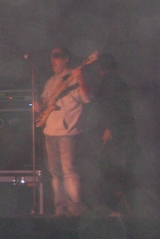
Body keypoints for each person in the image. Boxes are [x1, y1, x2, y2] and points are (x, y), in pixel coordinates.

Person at [35, 47, 92, 216]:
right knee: (55, 173)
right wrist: (38, 105)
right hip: (50, 131)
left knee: (69, 171)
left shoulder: (75, 78)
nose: (52, 60)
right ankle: (59, 208)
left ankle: (75, 208)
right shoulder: (51, 81)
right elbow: (45, 102)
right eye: (51, 56)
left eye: (57, 56)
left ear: (66, 58)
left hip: (68, 132)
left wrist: (80, 78)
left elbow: (87, 98)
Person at [91, 53, 137, 214]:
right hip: (125, 132)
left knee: (111, 169)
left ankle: (114, 207)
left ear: (101, 67)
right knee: (118, 168)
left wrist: (109, 127)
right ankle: (122, 206)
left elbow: (111, 107)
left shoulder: (109, 82)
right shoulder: (118, 81)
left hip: (117, 133)